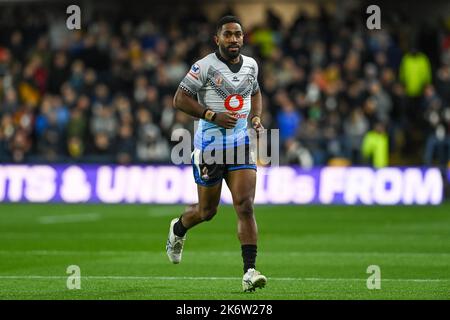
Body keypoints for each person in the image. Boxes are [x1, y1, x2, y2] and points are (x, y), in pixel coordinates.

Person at [166, 16, 267, 292]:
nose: (234, 39)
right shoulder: (204, 67)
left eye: (238, 35)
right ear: (217, 39)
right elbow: (179, 99)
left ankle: (249, 271)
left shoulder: (251, 66)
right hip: (209, 149)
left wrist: (255, 117)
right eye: (228, 35)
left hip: (240, 146)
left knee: (245, 205)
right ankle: (179, 228)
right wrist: (211, 114)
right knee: (207, 211)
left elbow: (255, 92)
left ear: (243, 39)